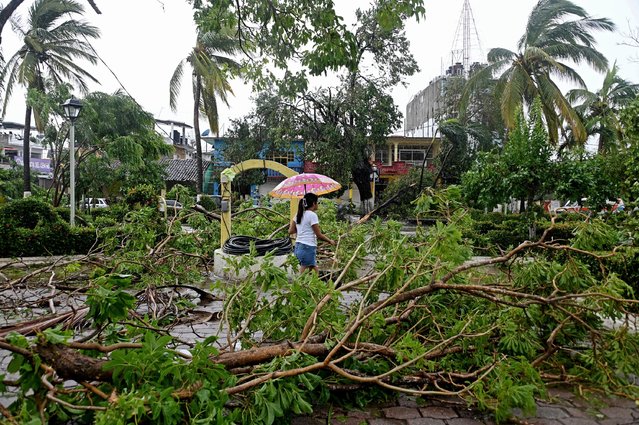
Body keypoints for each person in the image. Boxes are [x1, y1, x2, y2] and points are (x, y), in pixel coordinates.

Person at [288, 192, 335, 273]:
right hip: (307, 246)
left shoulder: (298, 214)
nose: (318, 204)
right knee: (305, 268)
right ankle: (299, 284)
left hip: (298, 246)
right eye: (317, 202)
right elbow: (319, 235)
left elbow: (290, 231)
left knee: (313, 267)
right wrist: (330, 241)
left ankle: (317, 284)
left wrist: (301, 228)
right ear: (314, 203)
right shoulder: (312, 215)